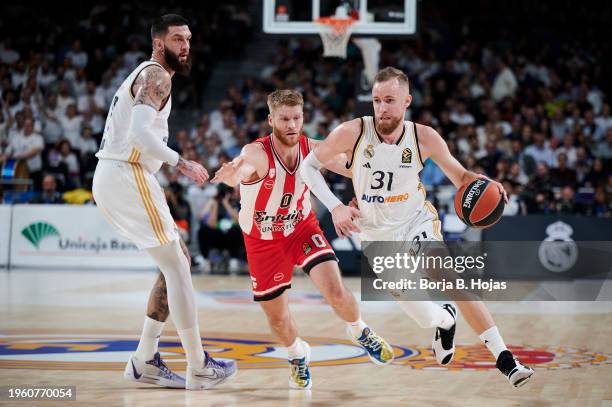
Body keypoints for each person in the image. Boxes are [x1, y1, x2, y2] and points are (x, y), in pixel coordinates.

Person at [301, 67, 534, 388]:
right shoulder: (351, 132)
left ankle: (505, 358)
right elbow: (308, 166)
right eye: (377, 100)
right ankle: (445, 320)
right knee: (422, 314)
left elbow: (461, 176)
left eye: (390, 100)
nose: (382, 107)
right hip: (376, 235)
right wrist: (337, 206)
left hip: (416, 222)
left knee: (450, 277)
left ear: (406, 101)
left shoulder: (424, 138)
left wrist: (487, 182)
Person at [211, 89, 393, 389]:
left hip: (301, 228)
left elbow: (354, 170)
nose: (292, 125)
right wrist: (231, 174)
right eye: (284, 119)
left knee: (336, 291)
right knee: (278, 320)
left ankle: (359, 330)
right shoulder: (256, 152)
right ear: (271, 120)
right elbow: (238, 172)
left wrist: (381, 173)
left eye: (297, 118)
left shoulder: (314, 149)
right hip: (262, 240)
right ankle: (297, 353)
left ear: (303, 117)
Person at [92, 14, 236, 391]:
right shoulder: (156, 75)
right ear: (160, 43)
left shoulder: (151, 74)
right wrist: (182, 162)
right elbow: (140, 134)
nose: (185, 45)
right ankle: (199, 365)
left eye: (188, 38)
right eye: (177, 39)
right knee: (178, 268)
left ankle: (145, 359)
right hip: (126, 173)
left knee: (177, 262)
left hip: (118, 175)